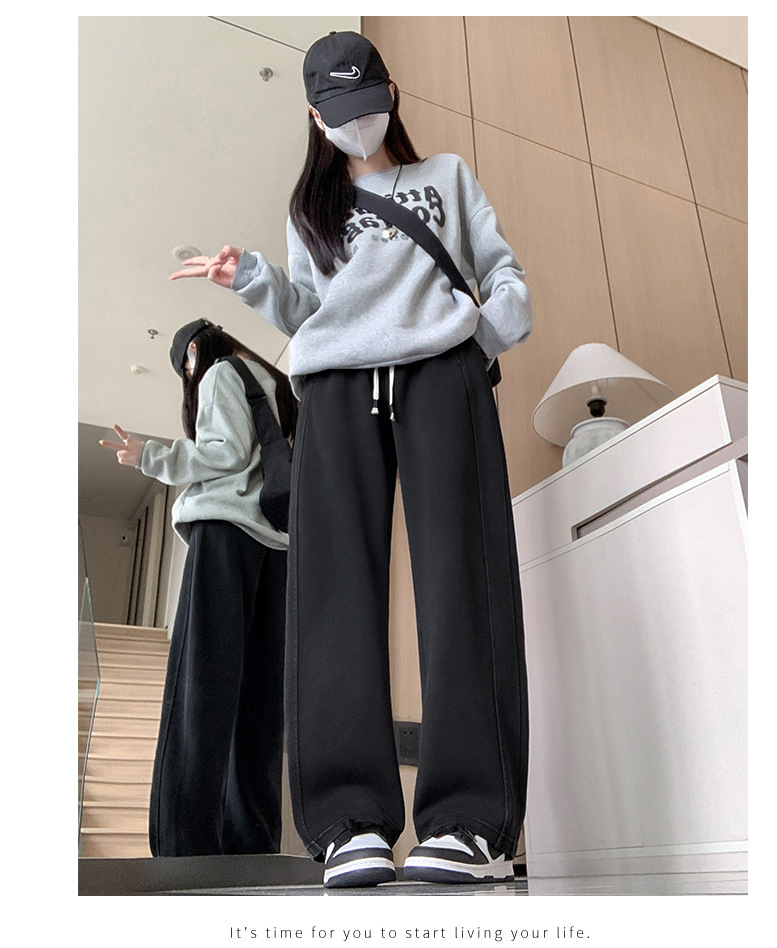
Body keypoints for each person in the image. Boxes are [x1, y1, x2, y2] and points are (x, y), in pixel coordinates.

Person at [170, 30, 532, 887]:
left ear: (391, 95)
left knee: (464, 581)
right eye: (340, 112)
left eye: (368, 104)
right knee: (332, 593)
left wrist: (478, 334)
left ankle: (472, 821)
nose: (357, 122)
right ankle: (346, 820)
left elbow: (502, 273)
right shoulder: (311, 208)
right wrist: (252, 279)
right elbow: (311, 312)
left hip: (441, 375)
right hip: (334, 387)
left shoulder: (447, 175)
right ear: (315, 116)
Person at [100, 319, 298, 857]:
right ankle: (251, 847)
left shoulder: (218, 373)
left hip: (225, 534)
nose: (189, 374)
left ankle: (183, 847)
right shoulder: (282, 386)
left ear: (193, 350)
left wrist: (149, 456)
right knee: (260, 701)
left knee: (200, 686)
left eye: (183, 365)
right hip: (277, 545)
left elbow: (224, 451)